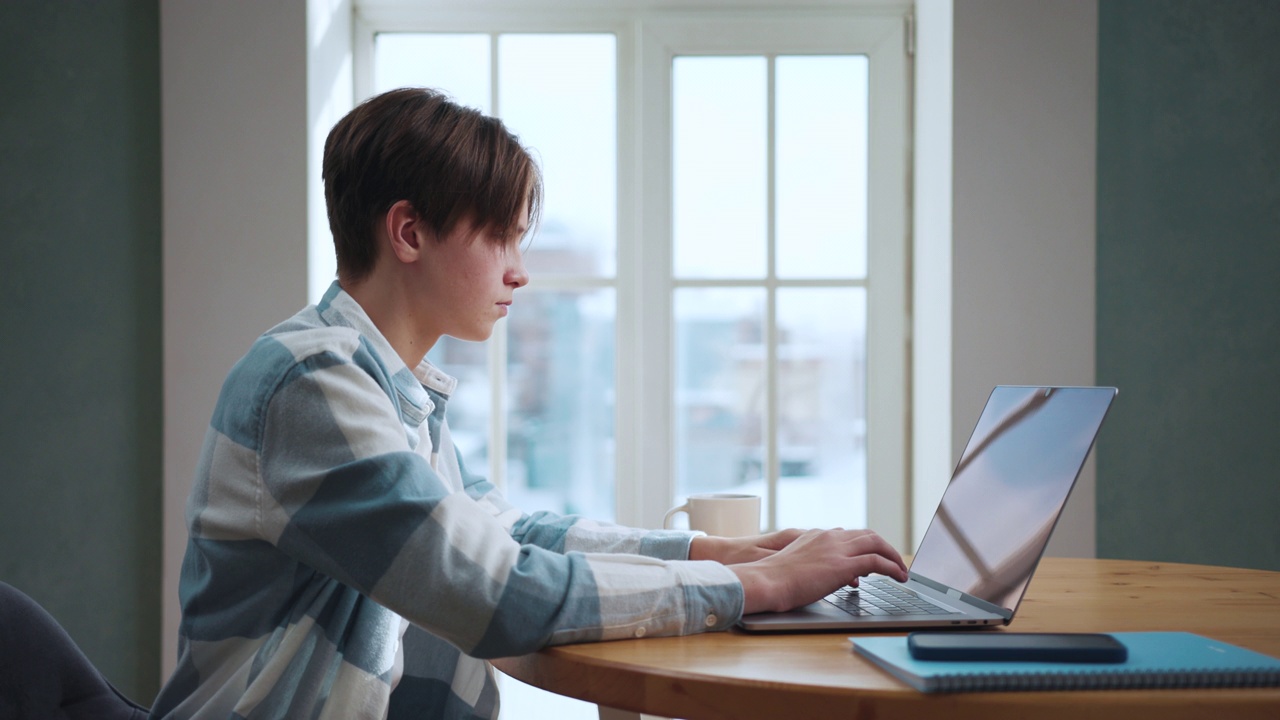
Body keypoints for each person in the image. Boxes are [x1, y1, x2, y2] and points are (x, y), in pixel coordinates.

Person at [150, 87, 907, 720]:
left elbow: (509, 532)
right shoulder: (313, 382)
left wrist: (713, 553)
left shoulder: (386, 386)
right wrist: (759, 586)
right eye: (502, 239)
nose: (520, 273)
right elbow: (495, 591)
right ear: (409, 232)